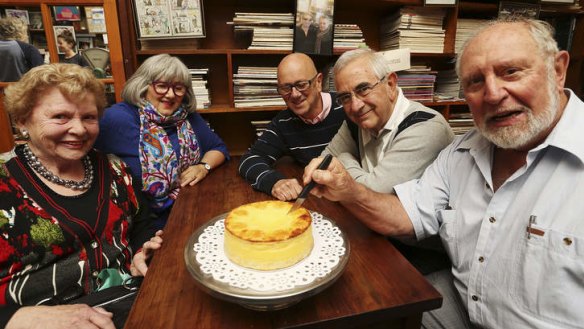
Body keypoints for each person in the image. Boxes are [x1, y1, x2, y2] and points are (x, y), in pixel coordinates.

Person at [304, 17, 583, 328]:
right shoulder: (461, 153)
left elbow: (362, 177)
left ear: (557, 70)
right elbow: (405, 214)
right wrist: (351, 190)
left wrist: (345, 166)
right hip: (460, 306)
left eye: (511, 72)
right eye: (476, 81)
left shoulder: (426, 127)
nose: (493, 94)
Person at [0, 63, 163, 329]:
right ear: (22, 120)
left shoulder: (114, 168)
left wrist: (142, 250)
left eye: (88, 117)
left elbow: (142, 223)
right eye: (61, 117)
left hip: (133, 304)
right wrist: (16, 318)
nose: (79, 129)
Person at [95, 54, 229, 229]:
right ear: (144, 86)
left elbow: (218, 148)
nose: (171, 94)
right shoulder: (116, 119)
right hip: (139, 224)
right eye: (162, 86)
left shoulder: (187, 117)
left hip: (187, 209)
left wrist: (203, 167)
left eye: (178, 88)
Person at [323, 48, 454, 194]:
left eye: (364, 89)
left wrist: (343, 159)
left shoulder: (426, 127)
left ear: (390, 84)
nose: (355, 106)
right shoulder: (358, 120)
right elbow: (322, 163)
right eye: (345, 97)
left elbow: (376, 195)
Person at [238, 53, 345, 201]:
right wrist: (274, 182)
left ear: (319, 82)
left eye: (301, 85)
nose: (294, 94)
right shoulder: (283, 123)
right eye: (286, 88)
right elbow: (249, 159)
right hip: (317, 199)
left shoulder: (347, 107)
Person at [0, 17, 44, 82]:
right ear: (20, 32)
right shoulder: (28, 48)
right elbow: (41, 74)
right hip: (21, 89)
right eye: (25, 32)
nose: (27, 35)